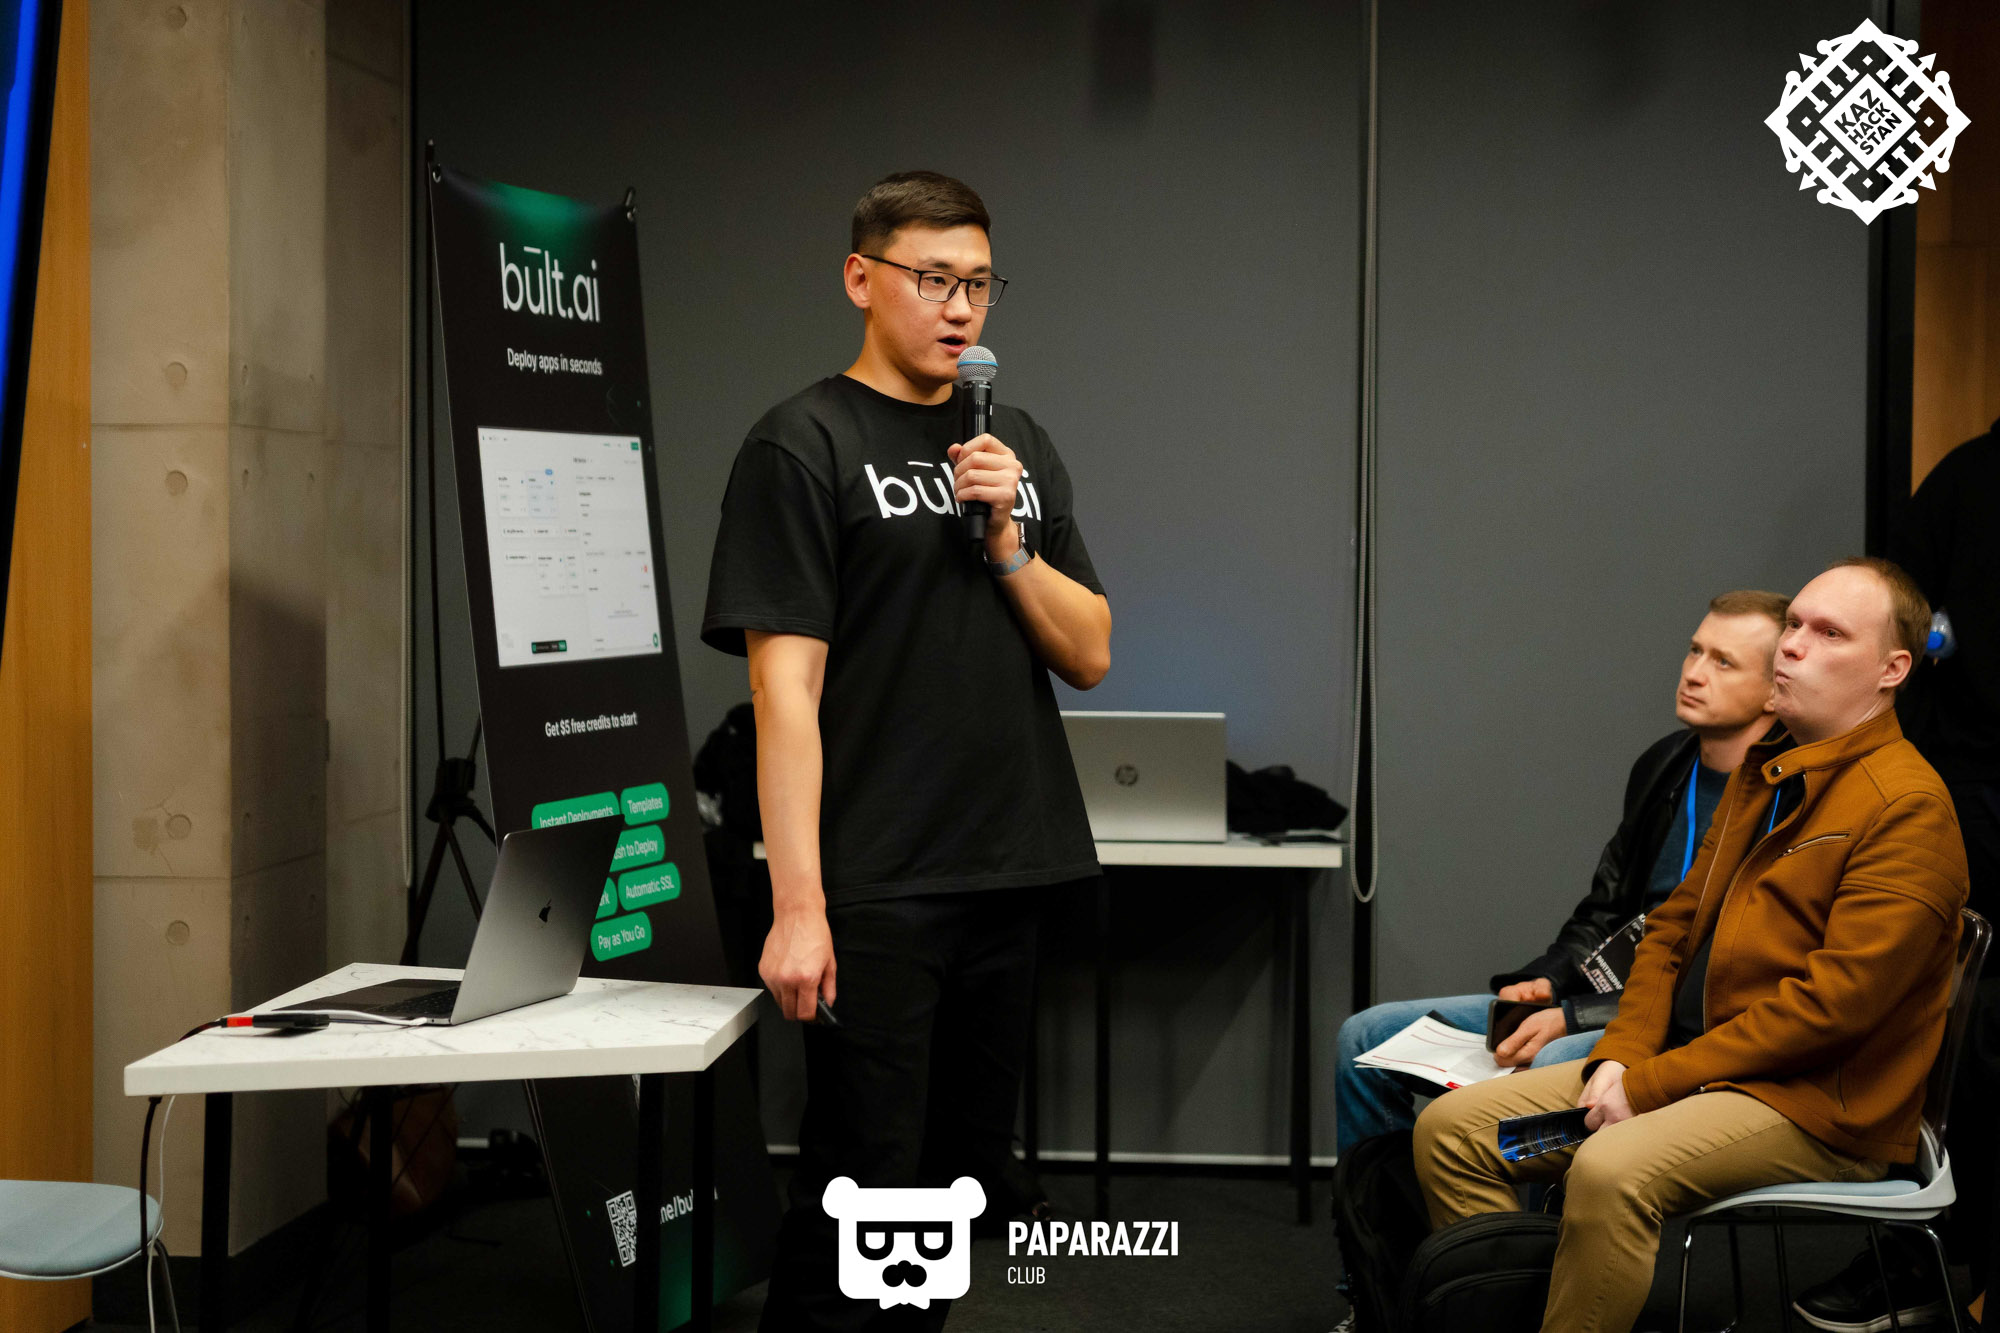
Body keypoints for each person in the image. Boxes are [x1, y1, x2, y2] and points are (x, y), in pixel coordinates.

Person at [700, 170, 1112, 1331]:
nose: (959, 307)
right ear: (860, 278)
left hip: (1006, 866)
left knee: (950, 1193)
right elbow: (783, 693)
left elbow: (1089, 650)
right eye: (932, 279)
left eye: (977, 283)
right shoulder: (802, 442)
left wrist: (1008, 537)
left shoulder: (1014, 444)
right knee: (861, 1191)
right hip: (876, 882)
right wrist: (798, 906)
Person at [1412, 557, 1971, 1333]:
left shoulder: (1908, 806)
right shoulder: (1766, 771)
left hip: (1818, 1108)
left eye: (1829, 633)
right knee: (1454, 1134)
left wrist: (1649, 1085)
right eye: (1795, 624)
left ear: (1892, 669)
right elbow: (1672, 929)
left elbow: (1832, 1010)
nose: (1792, 644)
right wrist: (1622, 1054)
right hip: (1714, 1071)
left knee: (1609, 1167)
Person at [1333, 591, 1789, 1155]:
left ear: (1774, 691)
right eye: (1695, 651)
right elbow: (1605, 910)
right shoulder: (1665, 765)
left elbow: (1723, 978)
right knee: (1365, 1036)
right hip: (1602, 997)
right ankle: (1409, 1217)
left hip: (1682, 1023)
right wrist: (1549, 981)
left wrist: (1573, 1017)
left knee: (1548, 1058)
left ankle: (1522, 1216)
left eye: (1723, 662)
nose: (1694, 673)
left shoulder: (1788, 795)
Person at [1797, 423, 2000, 1330]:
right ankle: (1928, 1254)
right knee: (1969, 1036)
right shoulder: (1971, 478)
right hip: (1974, 789)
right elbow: (1907, 632)